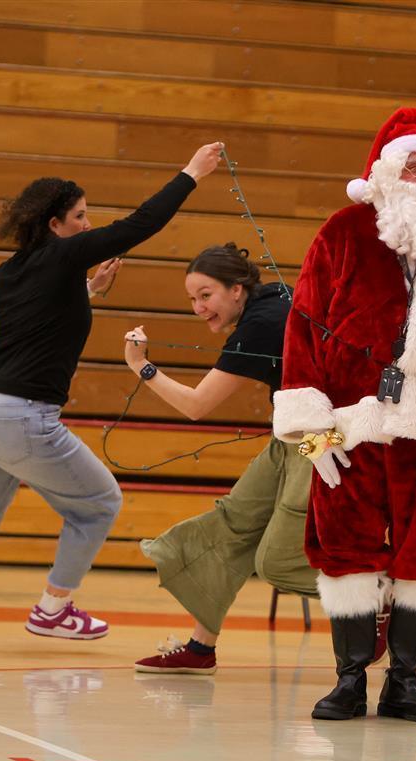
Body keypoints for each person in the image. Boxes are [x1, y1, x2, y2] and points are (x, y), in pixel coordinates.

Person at [0, 141, 224, 647]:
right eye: (80, 217)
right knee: (99, 502)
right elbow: (141, 224)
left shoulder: (10, 271)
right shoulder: (64, 256)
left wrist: (89, 290)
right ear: (54, 224)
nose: (88, 224)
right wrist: (191, 172)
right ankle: (54, 607)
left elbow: (41, 318)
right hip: (20, 417)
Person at [273, 108, 416, 724]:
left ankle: (404, 681)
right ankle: (349, 680)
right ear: (387, 172)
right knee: (345, 549)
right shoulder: (343, 232)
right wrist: (312, 435)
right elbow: (301, 333)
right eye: (415, 168)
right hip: (349, 430)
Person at [122, 243, 317, 675]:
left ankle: (381, 592)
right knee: (232, 525)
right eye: (193, 298)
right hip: (290, 435)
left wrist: (141, 366)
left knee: (277, 562)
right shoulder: (273, 296)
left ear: (236, 289)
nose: (198, 308)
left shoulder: (260, 325)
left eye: (206, 295)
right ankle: (200, 647)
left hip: (321, 442)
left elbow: (196, 405)